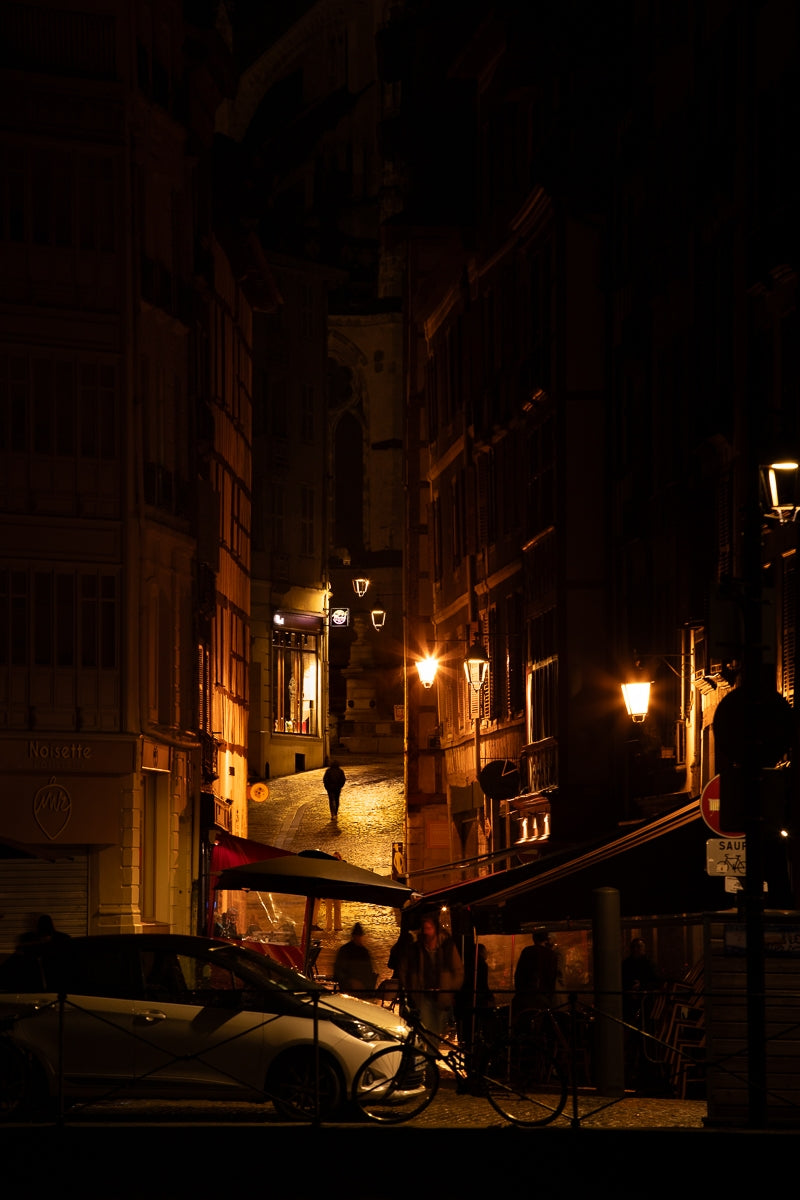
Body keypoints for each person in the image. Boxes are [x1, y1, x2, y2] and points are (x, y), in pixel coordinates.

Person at [401, 914, 464, 1037]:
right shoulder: (417, 948)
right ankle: (429, 1054)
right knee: (428, 1031)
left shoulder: (447, 947)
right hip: (424, 995)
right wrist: (411, 989)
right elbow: (405, 969)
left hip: (442, 996)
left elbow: (458, 970)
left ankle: (430, 1053)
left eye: (429, 928)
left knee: (436, 1032)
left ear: (435, 929)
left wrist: (450, 990)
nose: (426, 932)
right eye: (424, 929)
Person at [512, 928, 559, 1025]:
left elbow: (519, 973)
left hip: (524, 996)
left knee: (522, 1025)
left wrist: (519, 991)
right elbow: (552, 977)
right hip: (542, 997)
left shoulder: (527, 951)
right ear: (546, 939)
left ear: (534, 938)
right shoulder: (551, 954)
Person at [333, 922, 377, 994]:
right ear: (353, 936)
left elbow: (369, 970)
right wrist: (350, 981)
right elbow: (339, 971)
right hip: (348, 986)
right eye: (357, 936)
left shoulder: (364, 951)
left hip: (362, 986)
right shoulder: (345, 950)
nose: (359, 938)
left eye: (360, 936)